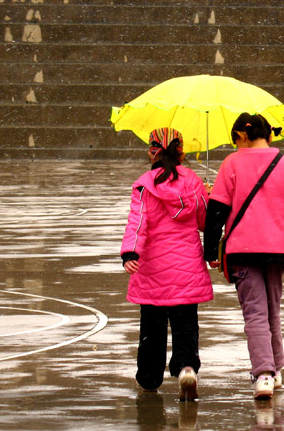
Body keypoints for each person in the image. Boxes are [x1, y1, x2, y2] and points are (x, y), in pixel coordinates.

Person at [203, 113, 284, 400]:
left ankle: (263, 373)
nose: (234, 147)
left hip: (242, 251)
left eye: (235, 141)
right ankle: (276, 369)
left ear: (243, 135)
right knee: (272, 310)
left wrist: (210, 250)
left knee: (254, 312)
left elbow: (216, 211)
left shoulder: (231, 164)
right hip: (278, 250)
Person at [121, 127, 213, 401]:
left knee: (152, 327)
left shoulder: (144, 184)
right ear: (180, 151)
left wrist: (130, 253)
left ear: (153, 152)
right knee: (186, 325)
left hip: (152, 270)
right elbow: (203, 223)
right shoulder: (193, 181)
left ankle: (149, 378)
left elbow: (138, 222)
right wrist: (206, 197)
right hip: (187, 268)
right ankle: (186, 368)